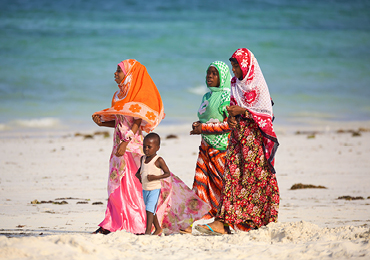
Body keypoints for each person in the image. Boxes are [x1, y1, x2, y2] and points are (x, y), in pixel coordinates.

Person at [196, 48, 280, 235]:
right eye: (232, 66)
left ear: (246, 67)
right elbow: (231, 112)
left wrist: (242, 112)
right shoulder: (234, 84)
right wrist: (233, 118)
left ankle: (257, 221)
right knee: (232, 178)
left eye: (236, 66)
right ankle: (223, 223)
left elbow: (266, 114)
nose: (233, 70)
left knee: (256, 180)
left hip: (254, 142)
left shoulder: (257, 86)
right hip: (236, 139)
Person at [92, 59, 164, 235]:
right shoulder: (118, 96)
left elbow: (136, 124)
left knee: (133, 186)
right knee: (115, 185)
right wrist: (102, 124)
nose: (115, 74)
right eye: (116, 70)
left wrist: (125, 143)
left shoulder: (136, 95)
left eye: (119, 71)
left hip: (132, 148)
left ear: (129, 75)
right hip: (118, 148)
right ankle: (111, 223)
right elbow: (119, 123)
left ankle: (137, 224)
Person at [181, 61, 231, 234]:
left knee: (220, 186)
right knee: (199, 185)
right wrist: (198, 125)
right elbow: (205, 119)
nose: (209, 76)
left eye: (214, 73)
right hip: (205, 147)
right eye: (208, 72)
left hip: (221, 150)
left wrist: (204, 128)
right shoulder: (207, 97)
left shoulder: (227, 98)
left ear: (222, 77)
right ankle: (190, 222)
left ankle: (224, 223)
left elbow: (229, 125)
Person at [135, 133, 170, 235]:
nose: (146, 149)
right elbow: (140, 170)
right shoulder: (143, 158)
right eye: (144, 146)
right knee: (150, 209)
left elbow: (167, 173)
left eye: (149, 147)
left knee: (149, 210)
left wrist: (156, 177)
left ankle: (147, 232)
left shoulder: (158, 160)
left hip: (155, 188)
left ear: (157, 148)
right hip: (145, 188)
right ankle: (158, 229)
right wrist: (138, 176)